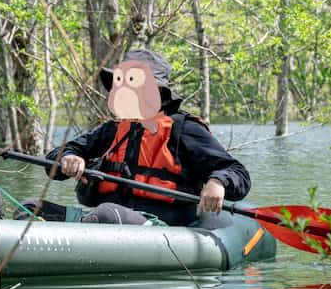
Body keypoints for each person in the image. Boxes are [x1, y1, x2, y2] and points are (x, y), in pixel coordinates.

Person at [22, 49, 250, 226]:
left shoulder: (184, 129)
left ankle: (67, 237)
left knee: (107, 213)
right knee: (30, 206)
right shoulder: (113, 129)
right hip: (106, 220)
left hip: (159, 225)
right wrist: (69, 158)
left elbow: (237, 173)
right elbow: (55, 158)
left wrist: (218, 182)